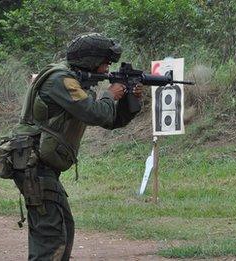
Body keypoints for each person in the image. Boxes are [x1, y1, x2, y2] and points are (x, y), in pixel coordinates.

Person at [12, 32, 142, 260]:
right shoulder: (60, 80)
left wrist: (130, 101)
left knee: (59, 229)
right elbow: (94, 113)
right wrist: (110, 95)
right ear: (89, 60)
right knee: (52, 236)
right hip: (35, 166)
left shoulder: (73, 80)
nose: (106, 69)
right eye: (104, 63)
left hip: (39, 166)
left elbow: (110, 120)